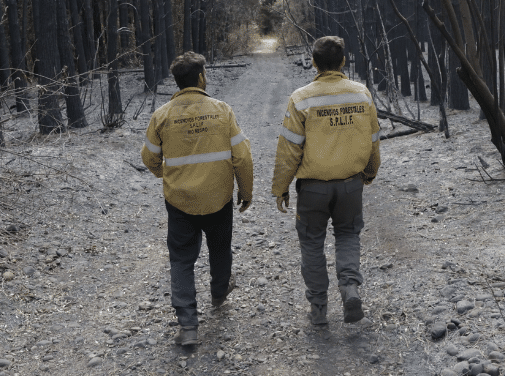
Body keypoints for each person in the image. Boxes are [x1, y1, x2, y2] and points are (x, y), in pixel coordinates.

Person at [142, 52, 254, 346]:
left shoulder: (162, 116)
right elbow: (242, 157)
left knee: (181, 259)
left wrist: (166, 176)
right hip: (218, 198)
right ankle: (218, 293)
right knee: (220, 249)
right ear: (201, 77)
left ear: (178, 82)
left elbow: (150, 158)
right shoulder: (222, 111)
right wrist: (245, 190)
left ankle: (188, 326)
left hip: (180, 201)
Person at [272, 36, 381, 326]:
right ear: (343, 61)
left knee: (311, 244)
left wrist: (280, 187)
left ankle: (319, 308)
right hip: (350, 184)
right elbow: (373, 140)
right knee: (347, 235)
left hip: (312, 189)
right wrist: (370, 171)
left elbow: (289, 149)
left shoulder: (301, 98)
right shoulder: (361, 94)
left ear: (313, 63)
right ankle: (350, 289)